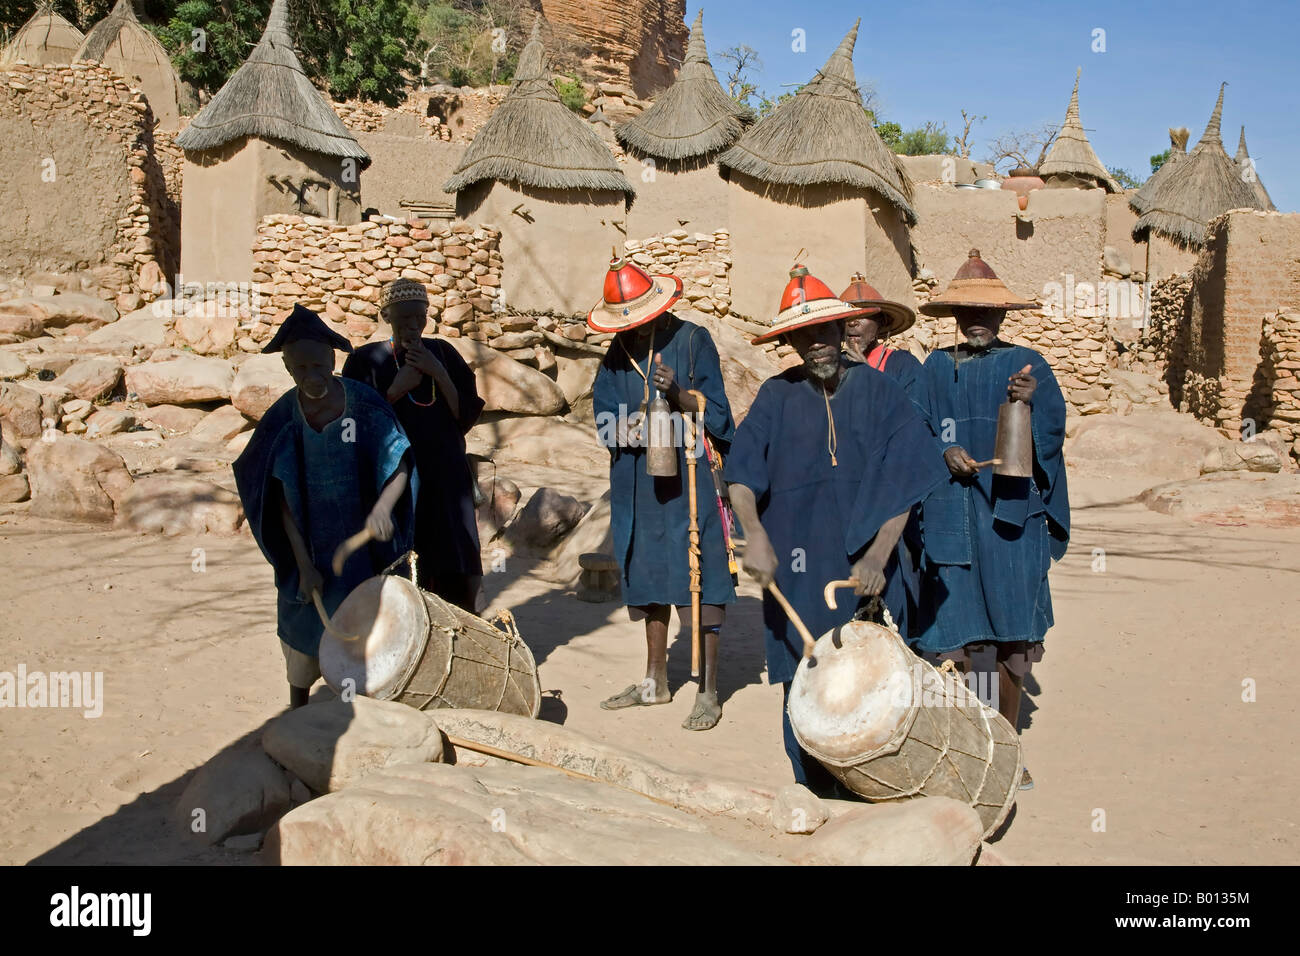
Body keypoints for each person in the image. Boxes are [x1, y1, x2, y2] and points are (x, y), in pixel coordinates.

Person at [724, 264, 947, 792]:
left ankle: (875, 788)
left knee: (874, 681)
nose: (815, 345)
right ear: (792, 341)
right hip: (797, 573)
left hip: (866, 572)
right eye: (802, 337)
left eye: (823, 332)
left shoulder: (882, 392)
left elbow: (908, 480)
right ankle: (811, 790)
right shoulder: (775, 397)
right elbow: (741, 476)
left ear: (841, 330)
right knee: (803, 680)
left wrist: (877, 555)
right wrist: (753, 532)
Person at [913, 249, 1071, 790]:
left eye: (987, 313)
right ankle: (983, 744)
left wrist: (1031, 405)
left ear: (1003, 316)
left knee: (1013, 637)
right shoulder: (936, 367)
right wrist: (942, 452)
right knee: (975, 639)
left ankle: (1009, 744)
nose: (977, 321)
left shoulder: (1028, 367)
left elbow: (1050, 439)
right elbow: (915, 429)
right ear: (953, 316)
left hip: (1011, 519)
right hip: (956, 514)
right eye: (966, 312)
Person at [233, 305, 416, 709]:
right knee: (303, 631)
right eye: (300, 368)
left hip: (363, 554)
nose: (311, 376)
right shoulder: (285, 416)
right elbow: (275, 496)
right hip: (310, 550)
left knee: (367, 628)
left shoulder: (365, 407)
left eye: (319, 365)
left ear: (333, 360)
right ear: (286, 366)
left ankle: (366, 706)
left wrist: (384, 508)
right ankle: (297, 709)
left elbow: (401, 463)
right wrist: (302, 563)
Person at [589, 255, 737, 731]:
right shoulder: (617, 352)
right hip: (637, 479)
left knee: (701, 570)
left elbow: (718, 415)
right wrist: (624, 427)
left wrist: (676, 394)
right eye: (625, 322)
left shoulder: (693, 340)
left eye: (639, 319)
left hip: (690, 476)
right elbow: (602, 413)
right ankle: (655, 681)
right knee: (648, 569)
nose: (632, 329)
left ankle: (709, 689)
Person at [342, 278, 485, 613]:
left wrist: (440, 375)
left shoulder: (444, 353)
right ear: (386, 317)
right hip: (395, 479)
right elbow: (355, 425)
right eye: (402, 318)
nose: (412, 325)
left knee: (456, 557)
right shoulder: (365, 360)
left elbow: (465, 414)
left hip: (447, 476)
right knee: (404, 558)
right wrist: (396, 389)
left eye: (418, 317)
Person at [838, 273, 927, 417]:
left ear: (881, 322)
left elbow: (913, 419)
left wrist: (870, 378)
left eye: (861, 316)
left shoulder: (904, 365)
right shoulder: (834, 366)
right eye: (847, 317)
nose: (852, 323)